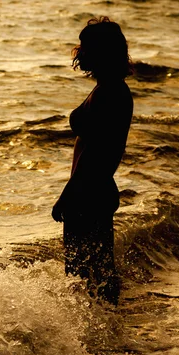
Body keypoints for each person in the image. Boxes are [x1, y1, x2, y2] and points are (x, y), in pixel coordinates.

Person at [52, 17, 134, 306]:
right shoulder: (111, 89)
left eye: (85, 46)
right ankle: (106, 336)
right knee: (96, 274)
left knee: (83, 276)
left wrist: (69, 193)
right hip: (96, 189)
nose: (79, 52)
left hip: (89, 191)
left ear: (101, 52)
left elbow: (97, 152)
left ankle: (99, 342)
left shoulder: (110, 93)